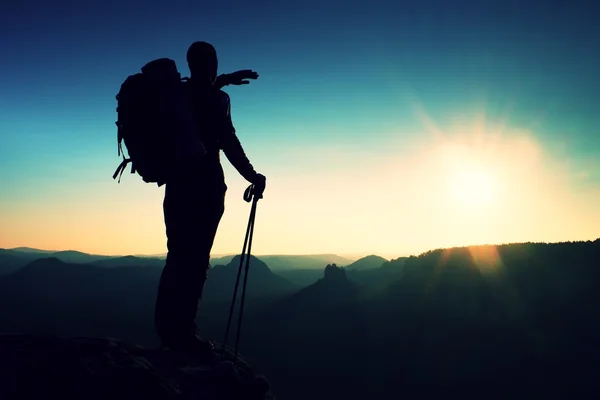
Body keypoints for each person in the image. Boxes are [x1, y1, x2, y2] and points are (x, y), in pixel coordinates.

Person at [154, 41, 266, 354]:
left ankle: (169, 333)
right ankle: (184, 335)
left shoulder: (178, 95)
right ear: (212, 63)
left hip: (176, 185)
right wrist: (252, 175)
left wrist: (223, 80)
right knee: (196, 259)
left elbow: (198, 92)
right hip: (205, 185)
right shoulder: (217, 100)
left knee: (177, 256)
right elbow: (228, 141)